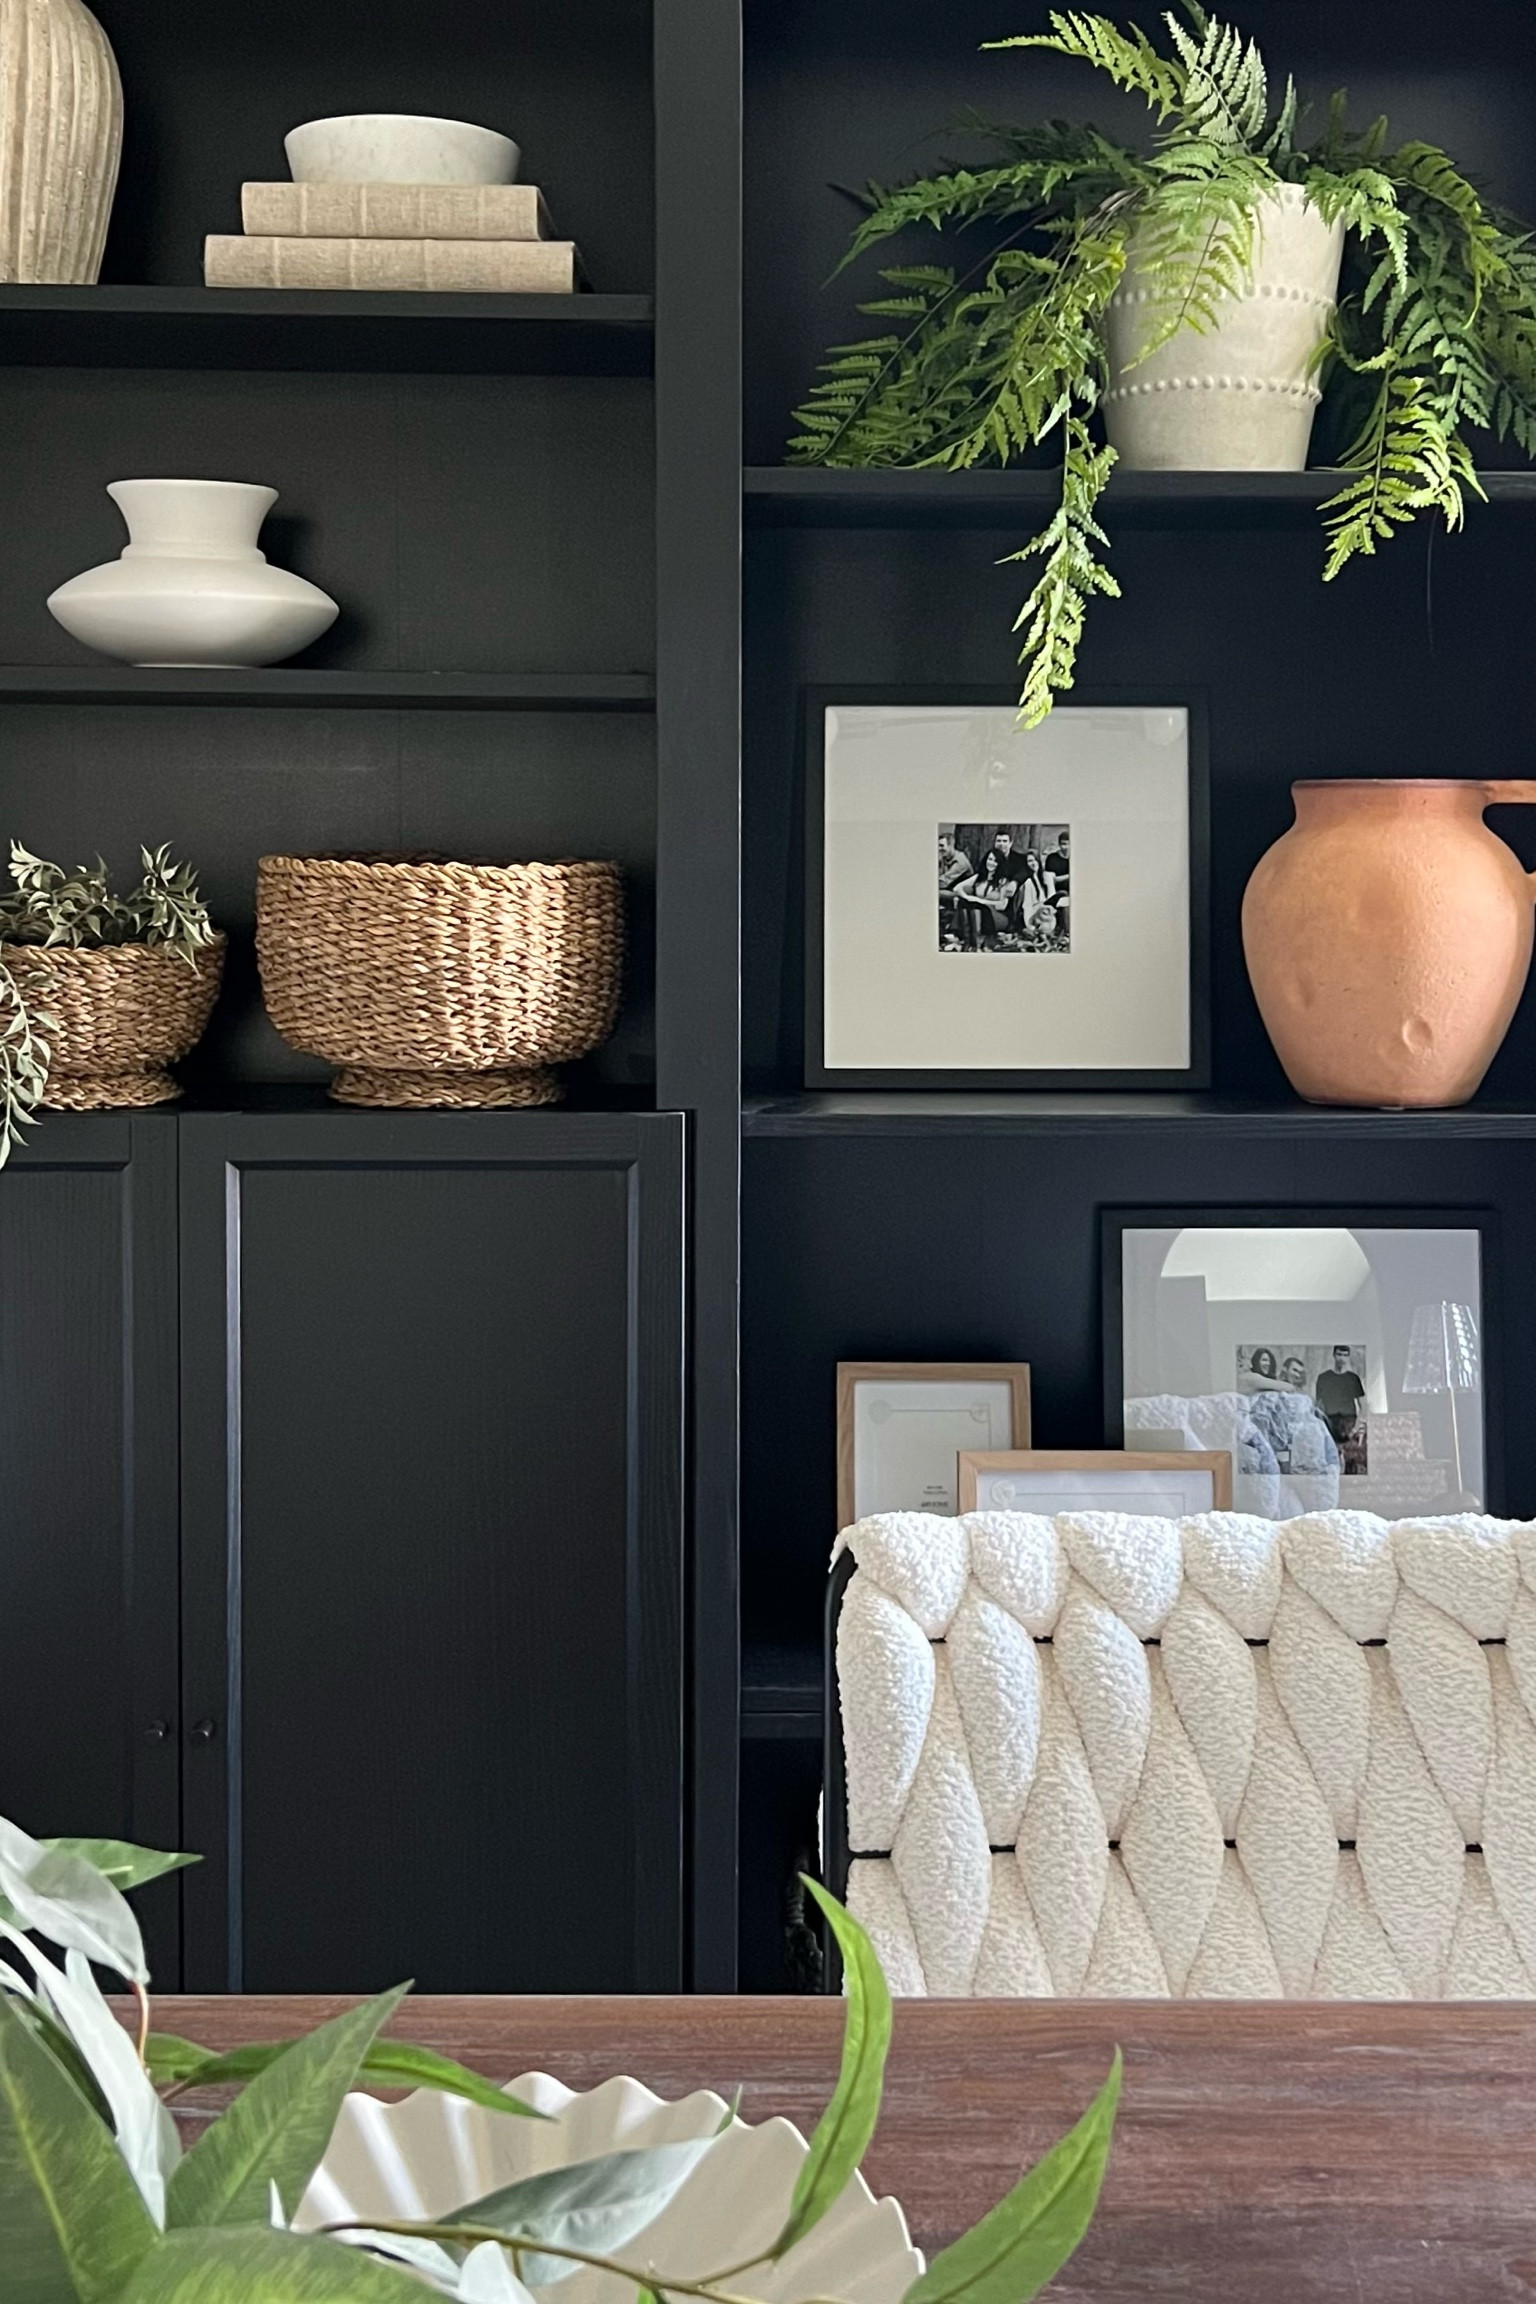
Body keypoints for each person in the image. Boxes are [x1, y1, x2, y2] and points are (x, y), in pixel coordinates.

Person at [953, 840, 1021, 948]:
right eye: (990, 859)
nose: (991, 863)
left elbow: (1002, 905)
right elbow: (957, 888)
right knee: (965, 903)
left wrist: (980, 901)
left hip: (998, 916)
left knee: (978, 907)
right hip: (977, 911)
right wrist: (968, 897)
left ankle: (977, 943)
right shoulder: (979, 877)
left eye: (995, 861)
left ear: (1000, 863)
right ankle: (968, 941)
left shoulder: (1003, 881)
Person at [1314, 1345, 1366, 1444]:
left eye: (1345, 1355)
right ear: (1334, 1355)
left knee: (1350, 1455)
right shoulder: (1324, 1378)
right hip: (1330, 1421)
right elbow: (1318, 1406)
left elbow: (1362, 1406)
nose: (1342, 1358)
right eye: (1339, 1354)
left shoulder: (1353, 1378)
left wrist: (1355, 1428)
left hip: (1349, 1422)